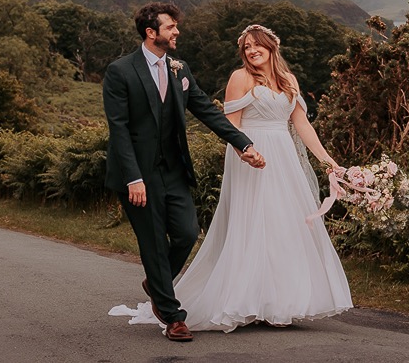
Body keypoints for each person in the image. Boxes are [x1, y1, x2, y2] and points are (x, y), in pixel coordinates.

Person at [110, 22, 352, 334]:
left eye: (256, 45)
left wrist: (328, 161)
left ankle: (276, 303)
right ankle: (241, 299)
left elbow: (301, 125)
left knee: (283, 226)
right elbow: (229, 124)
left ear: (271, 46)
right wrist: (245, 152)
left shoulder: (288, 80)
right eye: (246, 47)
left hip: (284, 161)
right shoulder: (240, 78)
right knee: (254, 225)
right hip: (251, 158)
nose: (251, 51)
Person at [103, 2, 266, 342]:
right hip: (137, 175)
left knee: (188, 232)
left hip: (173, 170)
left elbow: (207, 110)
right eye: (170, 26)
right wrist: (133, 178)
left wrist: (243, 144)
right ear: (151, 33)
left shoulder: (180, 69)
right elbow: (118, 129)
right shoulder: (121, 72)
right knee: (152, 243)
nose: (177, 31)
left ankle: (155, 283)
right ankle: (173, 316)